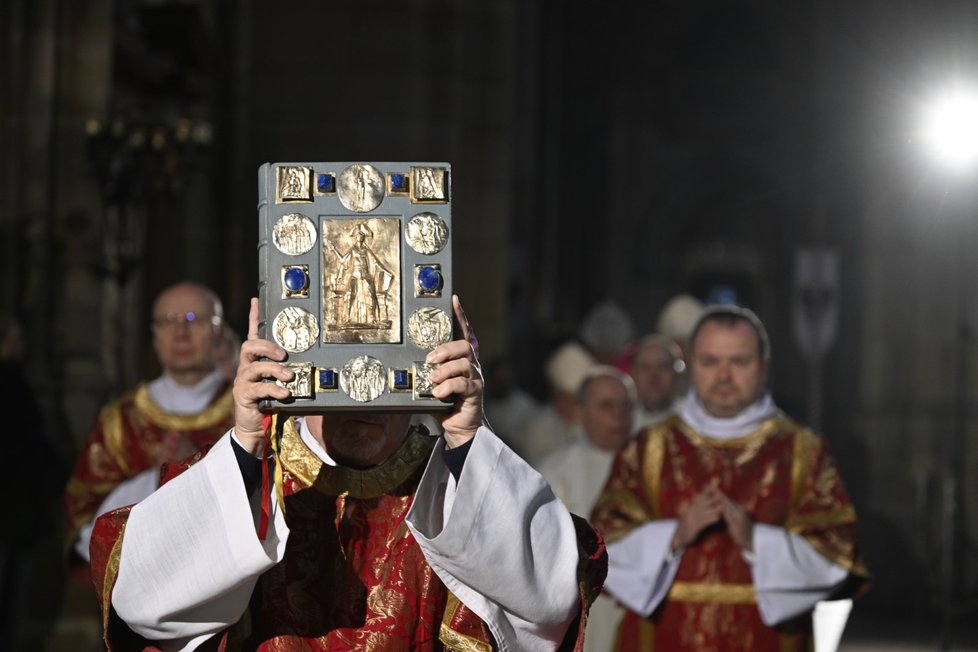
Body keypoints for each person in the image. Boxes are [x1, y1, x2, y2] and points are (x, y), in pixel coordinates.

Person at [89, 294, 607, 650]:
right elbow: (139, 594)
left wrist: (467, 437)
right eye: (343, 371)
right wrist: (246, 440)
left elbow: (553, 598)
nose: (367, 393)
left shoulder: (456, 486)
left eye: (391, 373)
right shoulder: (249, 479)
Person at [590, 304, 869, 651]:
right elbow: (599, 549)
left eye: (739, 362)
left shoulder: (801, 451)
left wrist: (758, 541)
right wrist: (673, 536)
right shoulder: (648, 450)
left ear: (763, 367)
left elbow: (838, 555)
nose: (723, 376)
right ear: (692, 366)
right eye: (710, 362)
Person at [63, 281, 236, 576]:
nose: (181, 333)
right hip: (141, 578)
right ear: (154, 336)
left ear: (219, 333)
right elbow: (84, 509)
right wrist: (156, 478)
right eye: (168, 322)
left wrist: (195, 465)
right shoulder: (120, 419)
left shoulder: (247, 410)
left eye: (194, 320)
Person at [537, 365, 636, 652]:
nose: (619, 414)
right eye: (607, 405)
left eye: (626, 404)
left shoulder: (653, 466)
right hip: (588, 605)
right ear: (581, 411)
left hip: (640, 605)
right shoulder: (555, 472)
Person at [516, 339, 597, 468]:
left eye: (578, 400)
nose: (572, 407)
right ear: (554, 396)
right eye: (566, 399)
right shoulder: (537, 428)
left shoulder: (601, 423)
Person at [622, 333, 684, 431]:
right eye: (645, 368)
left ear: (677, 374)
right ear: (633, 374)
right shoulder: (622, 424)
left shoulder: (694, 419)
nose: (654, 376)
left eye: (663, 367)